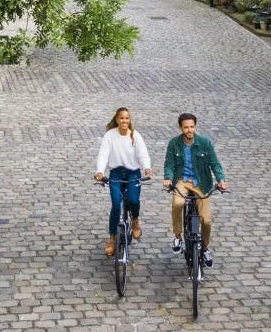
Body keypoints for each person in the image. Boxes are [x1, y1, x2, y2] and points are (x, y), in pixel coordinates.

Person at [162, 112, 228, 267]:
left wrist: (221, 180)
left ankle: (205, 248)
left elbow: (215, 164)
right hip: (182, 181)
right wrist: (168, 178)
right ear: (181, 128)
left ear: (195, 127)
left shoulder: (205, 143)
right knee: (177, 204)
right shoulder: (174, 143)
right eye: (186, 127)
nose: (189, 130)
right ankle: (177, 236)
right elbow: (169, 163)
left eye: (192, 127)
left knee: (206, 220)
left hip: (201, 183)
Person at [94, 107, 152, 257]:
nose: (124, 121)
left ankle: (135, 219)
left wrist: (147, 168)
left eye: (127, 118)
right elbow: (103, 155)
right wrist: (100, 171)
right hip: (116, 172)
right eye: (122, 118)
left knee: (133, 200)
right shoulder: (110, 135)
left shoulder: (135, 136)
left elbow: (143, 154)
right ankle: (112, 239)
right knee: (115, 204)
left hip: (133, 172)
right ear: (117, 119)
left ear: (129, 120)